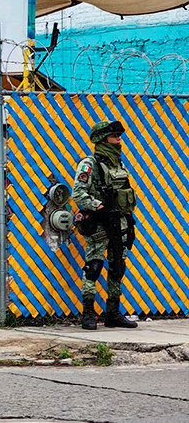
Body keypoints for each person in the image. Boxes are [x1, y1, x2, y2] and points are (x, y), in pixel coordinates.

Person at [72, 120, 137, 330]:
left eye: (119, 136)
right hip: (100, 224)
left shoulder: (118, 165)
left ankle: (113, 313)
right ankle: (88, 313)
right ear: (102, 139)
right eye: (115, 137)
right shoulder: (89, 164)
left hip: (120, 224)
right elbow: (78, 193)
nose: (119, 141)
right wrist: (97, 206)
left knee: (117, 267)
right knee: (93, 268)